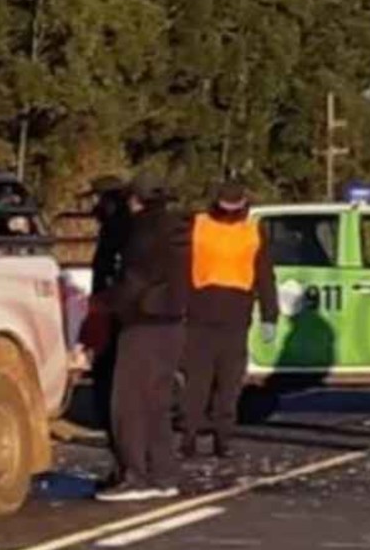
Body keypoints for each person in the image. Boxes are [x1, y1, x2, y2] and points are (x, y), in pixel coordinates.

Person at [97, 172, 191, 502]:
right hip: (173, 323)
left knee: (129, 404)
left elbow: (134, 279)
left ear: (135, 199)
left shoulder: (141, 231)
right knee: (157, 404)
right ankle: (163, 475)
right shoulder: (178, 228)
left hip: (142, 323)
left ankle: (135, 475)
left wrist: (108, 304)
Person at [179, 182, 279, 459]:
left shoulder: (197, 225)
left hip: (206, 313)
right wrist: (270, 315)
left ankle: (197, 438)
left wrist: (270, 314)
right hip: (223, 315)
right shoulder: (250, 231)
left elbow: (264, 274)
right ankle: (215, 439)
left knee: (204, 382)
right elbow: (265, 276)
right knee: (224, 383)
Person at [77, 176, 130, 481]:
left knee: (113, 397)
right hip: (112, 318)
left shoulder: (119, 231)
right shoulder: (116, 229)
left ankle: (126, 465)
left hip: (116, 321)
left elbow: (112, 279)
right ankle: (123, 464)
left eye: (97, 200)